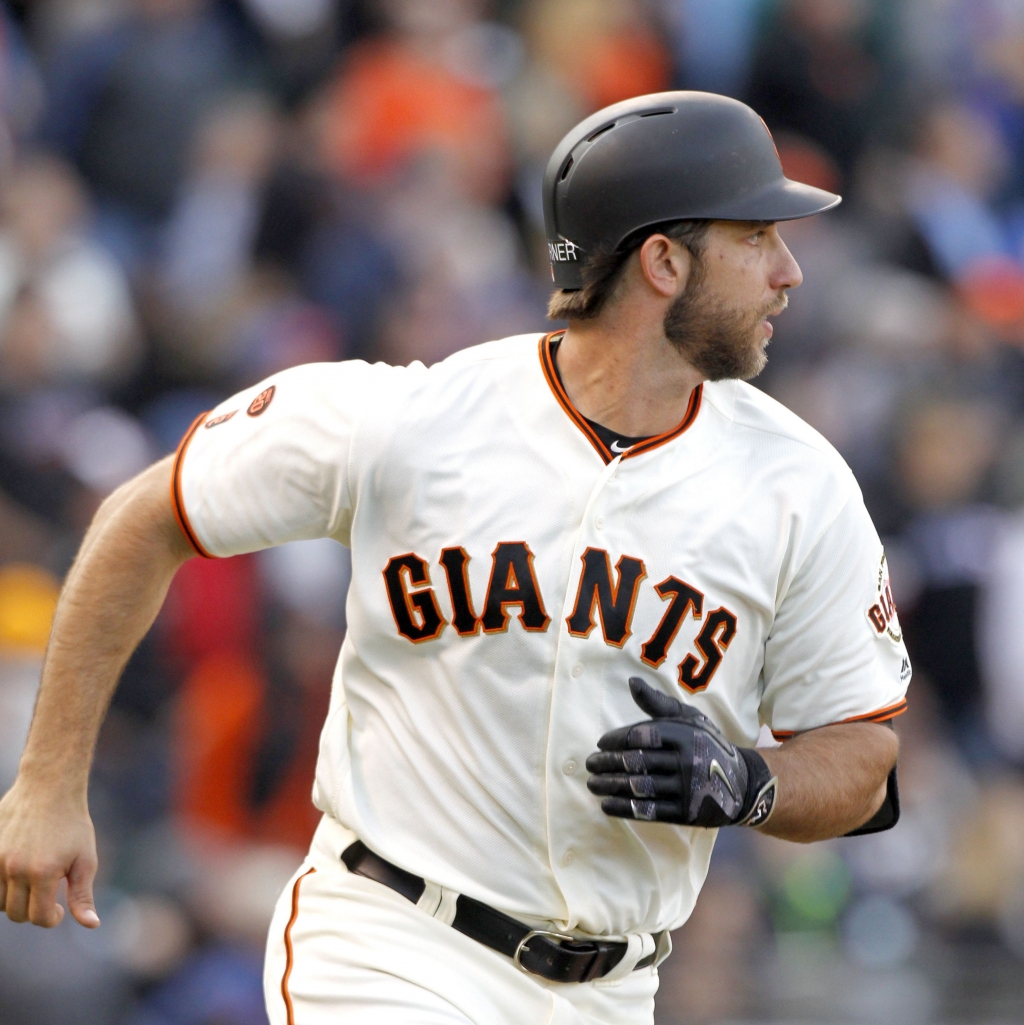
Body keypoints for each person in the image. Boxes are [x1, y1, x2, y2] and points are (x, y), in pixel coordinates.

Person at [0, 92, 908, 1025]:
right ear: (664, 261)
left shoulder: (802, 484)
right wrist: (49, 782)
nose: (790, 271)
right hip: (390, 943)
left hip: (614, 988)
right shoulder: (417, 419)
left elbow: (864, 755)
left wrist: (750, 782)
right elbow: (146, 514)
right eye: (757, 235)